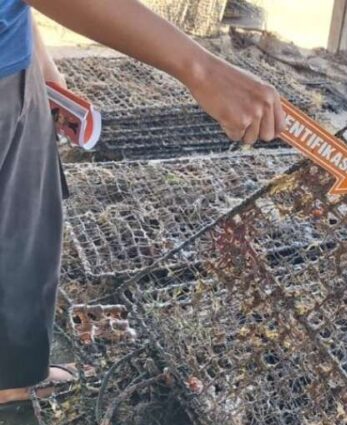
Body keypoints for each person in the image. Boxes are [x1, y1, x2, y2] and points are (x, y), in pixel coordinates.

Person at [0, 0, 287, 404]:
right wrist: (201, 69)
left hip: (12, 58)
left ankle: (11, 375)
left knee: (22, 224)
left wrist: (38, 61)